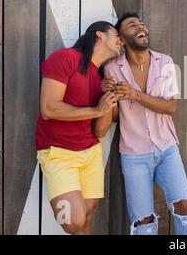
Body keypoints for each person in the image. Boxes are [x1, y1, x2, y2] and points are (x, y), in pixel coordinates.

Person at [95, 13, 187, 235]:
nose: (141, 27)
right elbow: (113, 116)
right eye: (132, 25)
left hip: (166, 148)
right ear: (121, 40)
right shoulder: (112, 69)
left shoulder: (165, 62)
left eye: (141, 24)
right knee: (144, 222)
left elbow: (171, 106)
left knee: (184, 207)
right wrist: (107, 94)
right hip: (133, 155)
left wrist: (135, 94)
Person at [35, 21, 124, 235]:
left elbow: (100, 132)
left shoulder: (100, 76)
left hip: (90, 152)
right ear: (99, 35)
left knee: (88, 216)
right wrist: (96, 109)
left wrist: (108, 101)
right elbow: (48, 108)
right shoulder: (66, 58)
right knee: (73, 221)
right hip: (59, 153)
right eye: (117, 36)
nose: (121, 41)